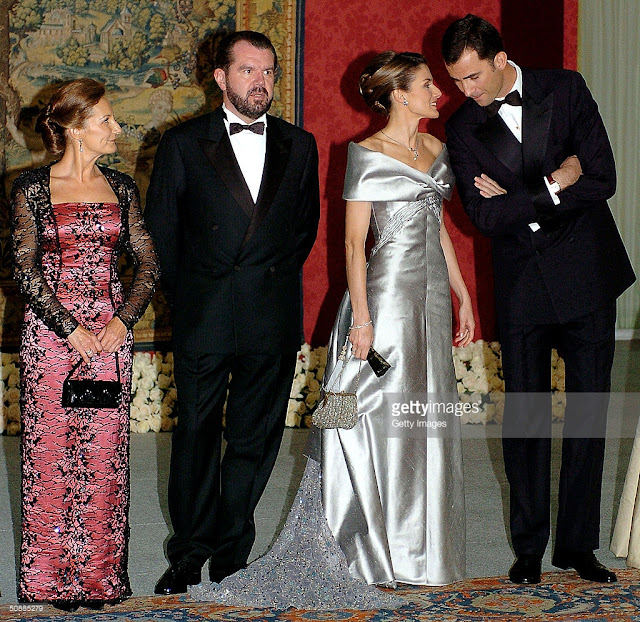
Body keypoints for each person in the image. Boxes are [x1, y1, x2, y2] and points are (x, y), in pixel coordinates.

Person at [190, 49, 473, 609]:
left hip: (432, 300)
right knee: (358, 414)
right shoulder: (365, 153)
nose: (437, 92)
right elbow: (352, 243)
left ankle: (422, 552)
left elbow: (437, 224)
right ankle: (364, 548)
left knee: (425, 414)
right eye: (426, 84)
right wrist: (362, 319)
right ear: (399, 94)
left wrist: (461, 291)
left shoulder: (437, 150)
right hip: (384, 301)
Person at [442, 14, 635, 585]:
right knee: (525, 418)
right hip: (522, 284)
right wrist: (554, 183)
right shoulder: (461, 127)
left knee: (588, 414)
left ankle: (577, 546)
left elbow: (602, 177)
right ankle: (527, 547)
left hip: (586, 274)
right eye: (456, 81)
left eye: (473, 77)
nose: (465, 91)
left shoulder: (566, 89)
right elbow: (483, 217)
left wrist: (521, 198)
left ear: (501, 59)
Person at [145, 30, 320, 595]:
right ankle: (188, 553)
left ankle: (231, 552)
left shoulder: (301, 145)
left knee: (254, 438)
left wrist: (264, 280)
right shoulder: (182, 144)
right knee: (196, 434)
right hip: (205, 313)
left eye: (268, 71)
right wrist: (192, 298)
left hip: (271, 312)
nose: (260, 81)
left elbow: (303, 231)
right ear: (221, 77)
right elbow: (161, 236)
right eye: (248, 70)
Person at [10, 78, 159, 610]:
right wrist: (68, 328)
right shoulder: (31, 188)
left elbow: (148, 262)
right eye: (106, 120)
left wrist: (122, 322)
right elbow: (24, 268)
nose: (116, 128)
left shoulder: (122, 187)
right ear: (75, 128)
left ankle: (98, 579)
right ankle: (50, 581)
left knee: (103, 454)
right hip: (51, 338)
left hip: (109, 338)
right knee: (50, 454)